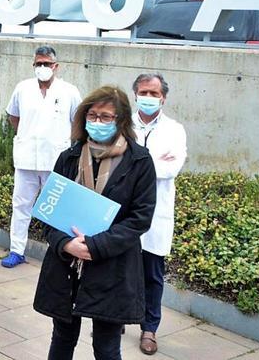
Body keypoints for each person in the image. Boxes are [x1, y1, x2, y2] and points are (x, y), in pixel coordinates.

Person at [33, 86, 156, 360]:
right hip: (67, 267)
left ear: (121, 120)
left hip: (112, 268)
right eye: (92, 115)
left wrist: (94, 246)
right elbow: (47, 213)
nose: (97, 122)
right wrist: (66, 244)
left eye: (105, 117)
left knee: (107, 345)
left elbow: (140, 218)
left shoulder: (140, 161)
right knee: (62, 339)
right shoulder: (70, 157)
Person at [3, 46, 81, 268]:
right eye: (39, 64)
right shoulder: (23, 88)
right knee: (20, 206)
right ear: (33, 65)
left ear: (56, 66)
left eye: (47, 64)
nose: (43, 68)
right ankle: (17, 251)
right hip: (26, 157)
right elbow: (13, 116)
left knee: (56, 210)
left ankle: (57, 251)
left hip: (55, 160)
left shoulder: (69, 91)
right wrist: (25, 134)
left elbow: (78, 121)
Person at [131, 73, 187, 356]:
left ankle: (149, 328)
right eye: (144, 92)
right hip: (124, 211)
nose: (149, 98)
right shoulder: (122, 124)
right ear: (135, 94)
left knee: (152, 274)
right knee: (120, 268)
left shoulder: (175, 130)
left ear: (163, 98)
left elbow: (170, 169)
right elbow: (112, 161)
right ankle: (115, 317)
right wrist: (152, 161)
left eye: (154, 93)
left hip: (156, 212)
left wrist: (135, 163)